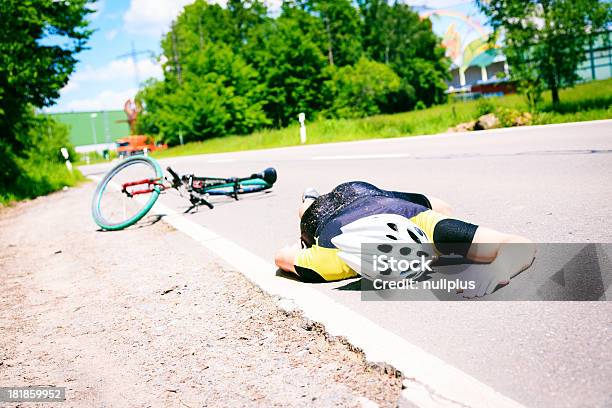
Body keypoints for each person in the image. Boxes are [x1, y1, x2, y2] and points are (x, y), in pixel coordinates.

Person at [274, 182, 536, 297]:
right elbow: (282, 257)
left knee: (443, 208)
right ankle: (310, 200)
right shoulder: (334, 259)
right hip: (323, 212)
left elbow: (519, 243)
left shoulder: (426, 224)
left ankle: (310, 199)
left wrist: (501, 267)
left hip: (372, 195)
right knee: (305, 211)